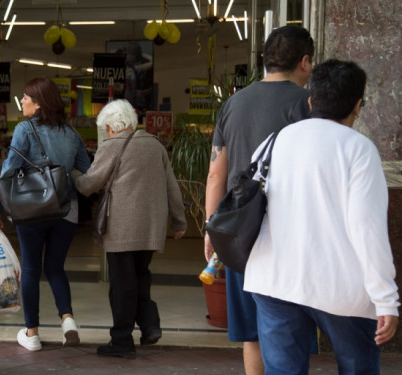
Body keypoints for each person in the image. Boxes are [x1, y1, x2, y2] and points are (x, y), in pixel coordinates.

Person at [244, 59, 399, 374]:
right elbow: (367, 228)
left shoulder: (274, 141)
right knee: (358, 368)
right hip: (341, 288)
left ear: (311, 100)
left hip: (274, 280)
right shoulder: (358, 149)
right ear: (357, 106)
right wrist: (386, 299)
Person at [204, 25, 314, 375]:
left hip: (241, 233)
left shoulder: (233, 104)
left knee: (252, 332)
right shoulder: (308, 103)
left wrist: (212, 228)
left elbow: (215, 175)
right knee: (289, 326)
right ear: (306, 61)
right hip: (291, 231)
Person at [73, 99, 187, 358]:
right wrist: (179, 221)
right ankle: (149, 325)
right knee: (140, 277)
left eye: (107, 129)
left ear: (115, 125)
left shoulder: (112, 146)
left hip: (122, 228)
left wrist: (72, 176)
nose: (107, 134)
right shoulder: (155, 144)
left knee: (122, 285)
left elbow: (90, 184)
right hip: (151, 228)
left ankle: (122, 341)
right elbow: (172, 186)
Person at [0, 77, 91, 351]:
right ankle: (67, 319)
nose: (21, 101)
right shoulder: (72, 134)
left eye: (25, 97)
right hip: (65, 210)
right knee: (55, 267)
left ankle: (31, 334)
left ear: (39, 103)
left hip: (31, 208)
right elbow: (86, 171)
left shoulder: (25, 129)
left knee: (31, 268)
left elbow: (8, 170)